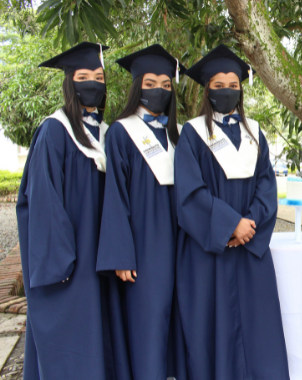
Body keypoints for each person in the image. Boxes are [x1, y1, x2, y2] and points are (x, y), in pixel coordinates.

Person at [173, 44, 290, 379]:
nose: (226, 91)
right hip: (209, 254)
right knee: (214, 335)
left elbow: (267, 187)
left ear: (242, 88)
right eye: (218, 85)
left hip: (250, 254)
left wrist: (248, 227)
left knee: (257, 335)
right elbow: (189, 193)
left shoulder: (256, 134)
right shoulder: (192, 135)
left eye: (233, 85)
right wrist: (229, 226)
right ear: (206, 88)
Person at [16, 42, 114, 379]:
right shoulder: (55, 132)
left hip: (103, 265)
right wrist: (63, 263)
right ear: (69, 83)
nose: (92, 83)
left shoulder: (106, 134)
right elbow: (42, 203)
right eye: (83, 76)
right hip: (72, 268)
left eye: (99, 77)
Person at [96, 44, 186, 380]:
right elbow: (115, 194)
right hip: (143, 248)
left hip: (178, 245)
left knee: (176, 322)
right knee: (148, 323)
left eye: (166, 84)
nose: (159, 90)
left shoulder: (176, 135)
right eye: (150, 83)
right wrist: (121, 255)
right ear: (136, 87)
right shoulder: (122, 132)